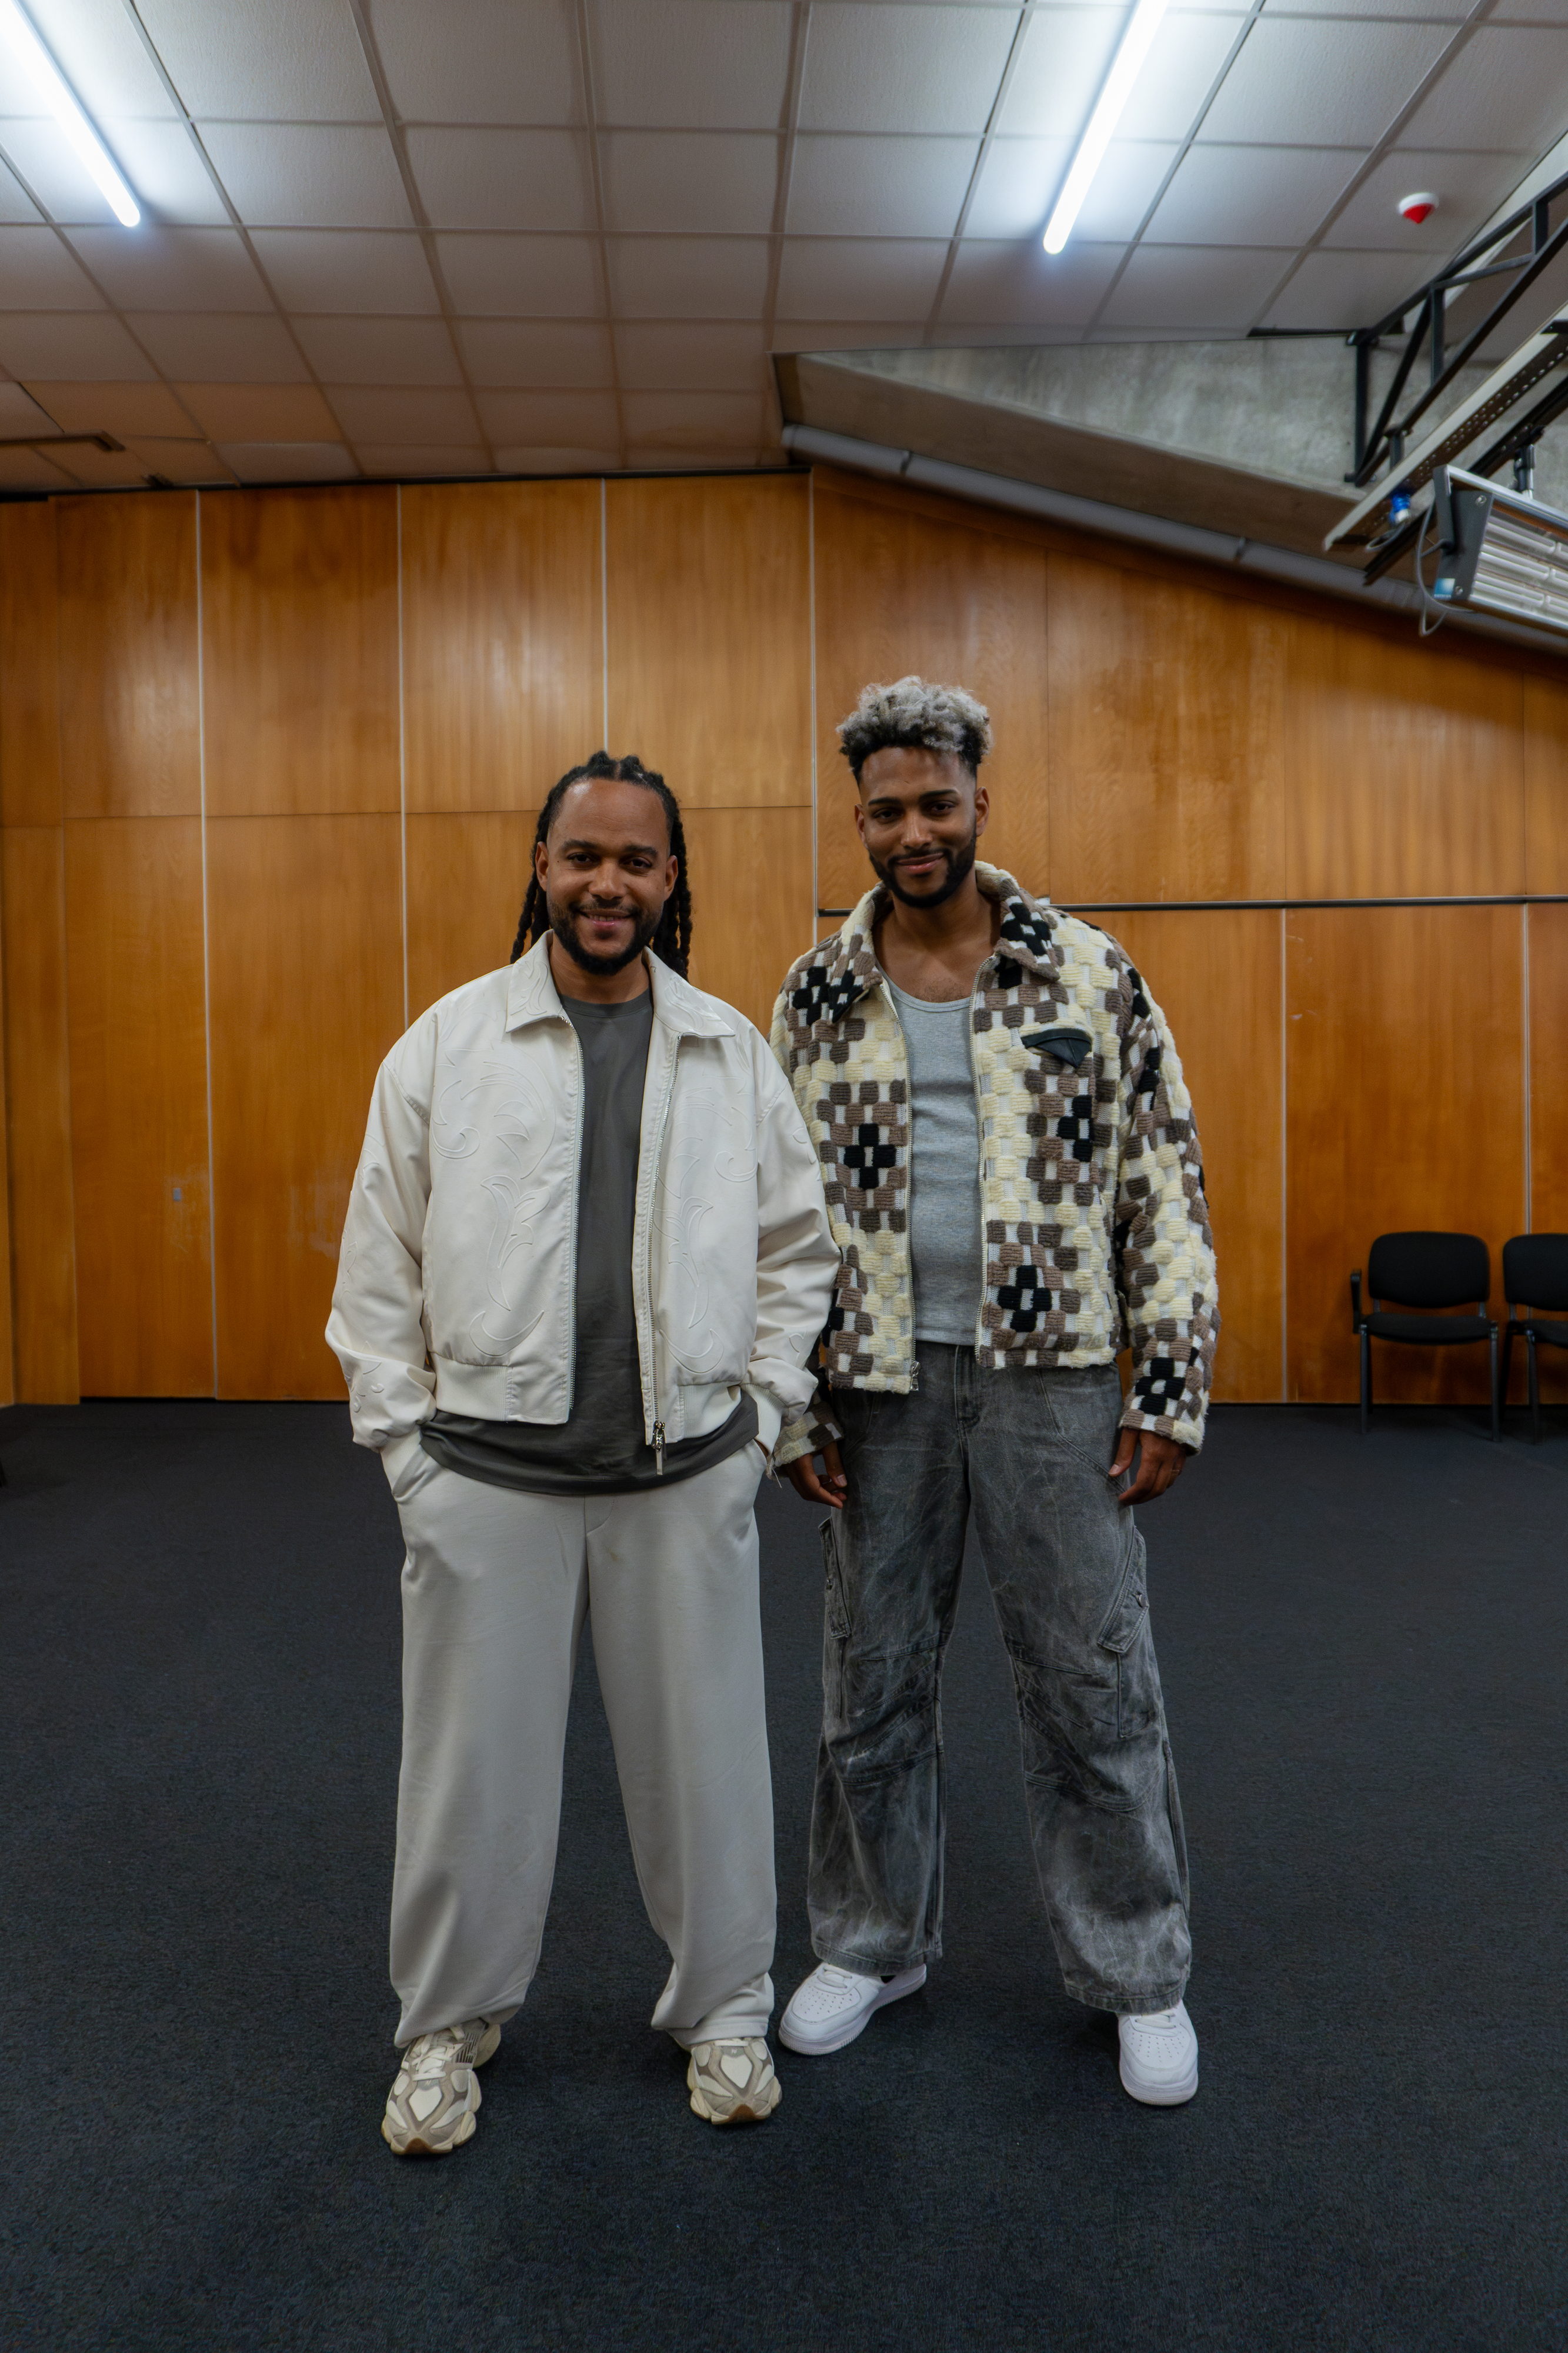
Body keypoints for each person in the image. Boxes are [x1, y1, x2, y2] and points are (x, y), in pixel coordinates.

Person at [328, 751, 839, 2153]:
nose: (607, 882)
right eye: (581, 855)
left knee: (710, 1763)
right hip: (486, 1477)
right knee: (468, 1775)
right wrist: (406, 1452)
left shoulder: (728, 1050)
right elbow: (378, 1262)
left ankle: (726, 2005)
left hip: (683, 1471)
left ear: (672, 879)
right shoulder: (447, 1043)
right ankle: (446, 2025)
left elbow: (798, 1250)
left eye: (636, 859)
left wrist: (760, 1418)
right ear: (540, 865)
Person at [768, 679, 1217, 2106]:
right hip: (878, 1381)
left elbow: (1167, 1183)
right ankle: (869, 1938)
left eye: (936, 802)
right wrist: (788, 1401)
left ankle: (1139, 1967)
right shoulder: (815, 991)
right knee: (870, 1679)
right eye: (887, 809)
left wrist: (1171, 1383)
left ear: (980, 801)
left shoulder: (1088, 971)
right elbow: (767, 1216)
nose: (913, 829)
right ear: (860, 819)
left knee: (1092, 1678)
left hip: (1057, 1378)